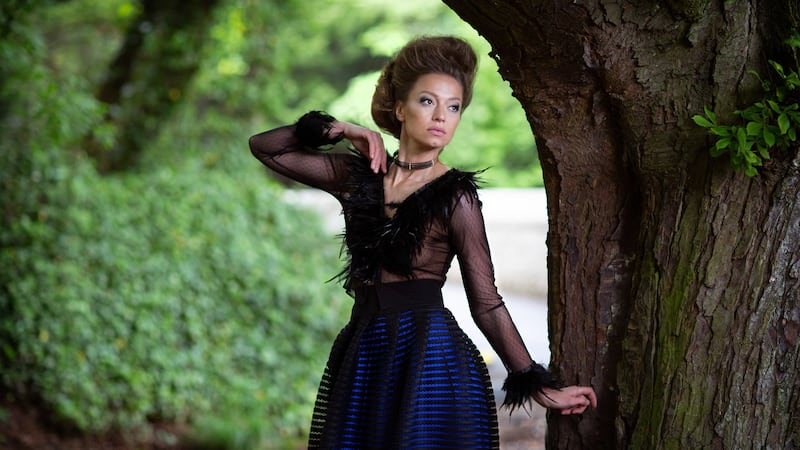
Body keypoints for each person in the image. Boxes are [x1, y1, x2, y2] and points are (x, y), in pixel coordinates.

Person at [249, 35, 596, 449]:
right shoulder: (358, 178)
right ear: (400, 109)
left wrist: (535, 383)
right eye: (427, 101)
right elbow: (266, 149)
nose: (441, 116)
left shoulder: (457, 197)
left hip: (430, 360)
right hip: (364, 356)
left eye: (453, 107)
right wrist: (341, 130)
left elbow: (486, 302)